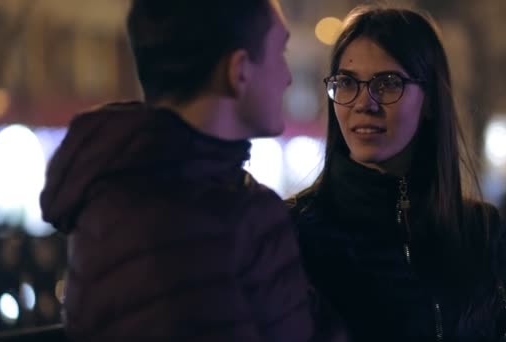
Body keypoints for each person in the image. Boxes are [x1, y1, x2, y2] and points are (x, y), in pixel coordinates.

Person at [40, 1, 325, 340]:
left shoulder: (112, 189)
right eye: (280, 52)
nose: (288, 77)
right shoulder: (205, 222)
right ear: (239, 71)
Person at [287, 5, 506, 342]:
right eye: (347, 83)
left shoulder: (481, 234)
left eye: (387, 83)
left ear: (430, 101)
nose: (364, 103)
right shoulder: (294, 231)